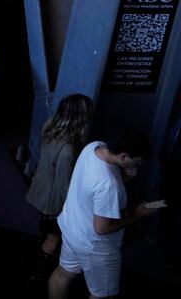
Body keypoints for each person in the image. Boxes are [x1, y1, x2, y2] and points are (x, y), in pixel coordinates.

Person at [49, 128, 160, 299]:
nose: (138, 166)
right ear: (123, 156)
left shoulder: (94, 147)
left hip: (72, 229)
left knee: (63, 274)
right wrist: (137, 215)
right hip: (94, 245)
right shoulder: (109, 185)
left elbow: (95, 193)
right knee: (102, 296)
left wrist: (127, 178)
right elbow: (102, 228)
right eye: (137, 162)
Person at [25, 94, 94, 283]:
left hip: (42, 191)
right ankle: (38, 274)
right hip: (55, 201)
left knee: (47, 233)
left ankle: (37, 264)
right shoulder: (68, 149)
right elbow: (65, 185)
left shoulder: (49, 126)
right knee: (53, 239)